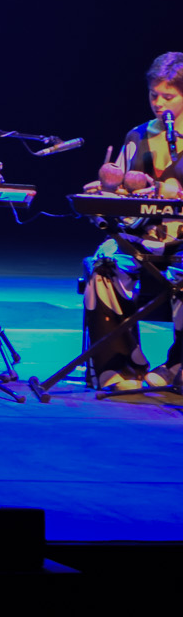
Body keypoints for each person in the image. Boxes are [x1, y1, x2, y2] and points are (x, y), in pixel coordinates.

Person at [79, 52, 183, 392]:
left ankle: (177, 365)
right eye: (154, 94)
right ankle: (120, 364)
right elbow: (122, 188)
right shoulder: (137, 136)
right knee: (105, 262)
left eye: (168, 96)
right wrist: (109, 189)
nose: (158, 103)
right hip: (142, 235)